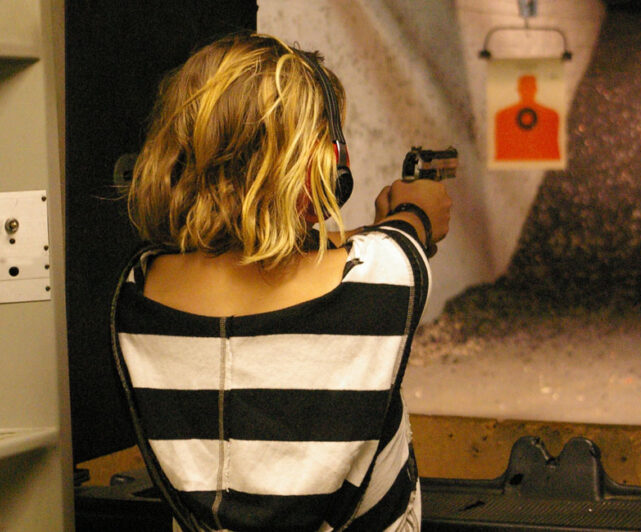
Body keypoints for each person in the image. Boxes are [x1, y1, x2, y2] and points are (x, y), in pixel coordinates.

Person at [110, 32, 451, 531]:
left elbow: (258, 260)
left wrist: (366, 231)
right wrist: (410, 208)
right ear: (319, 159)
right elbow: (412, 226)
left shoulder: (137, 288)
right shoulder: (388, 275)